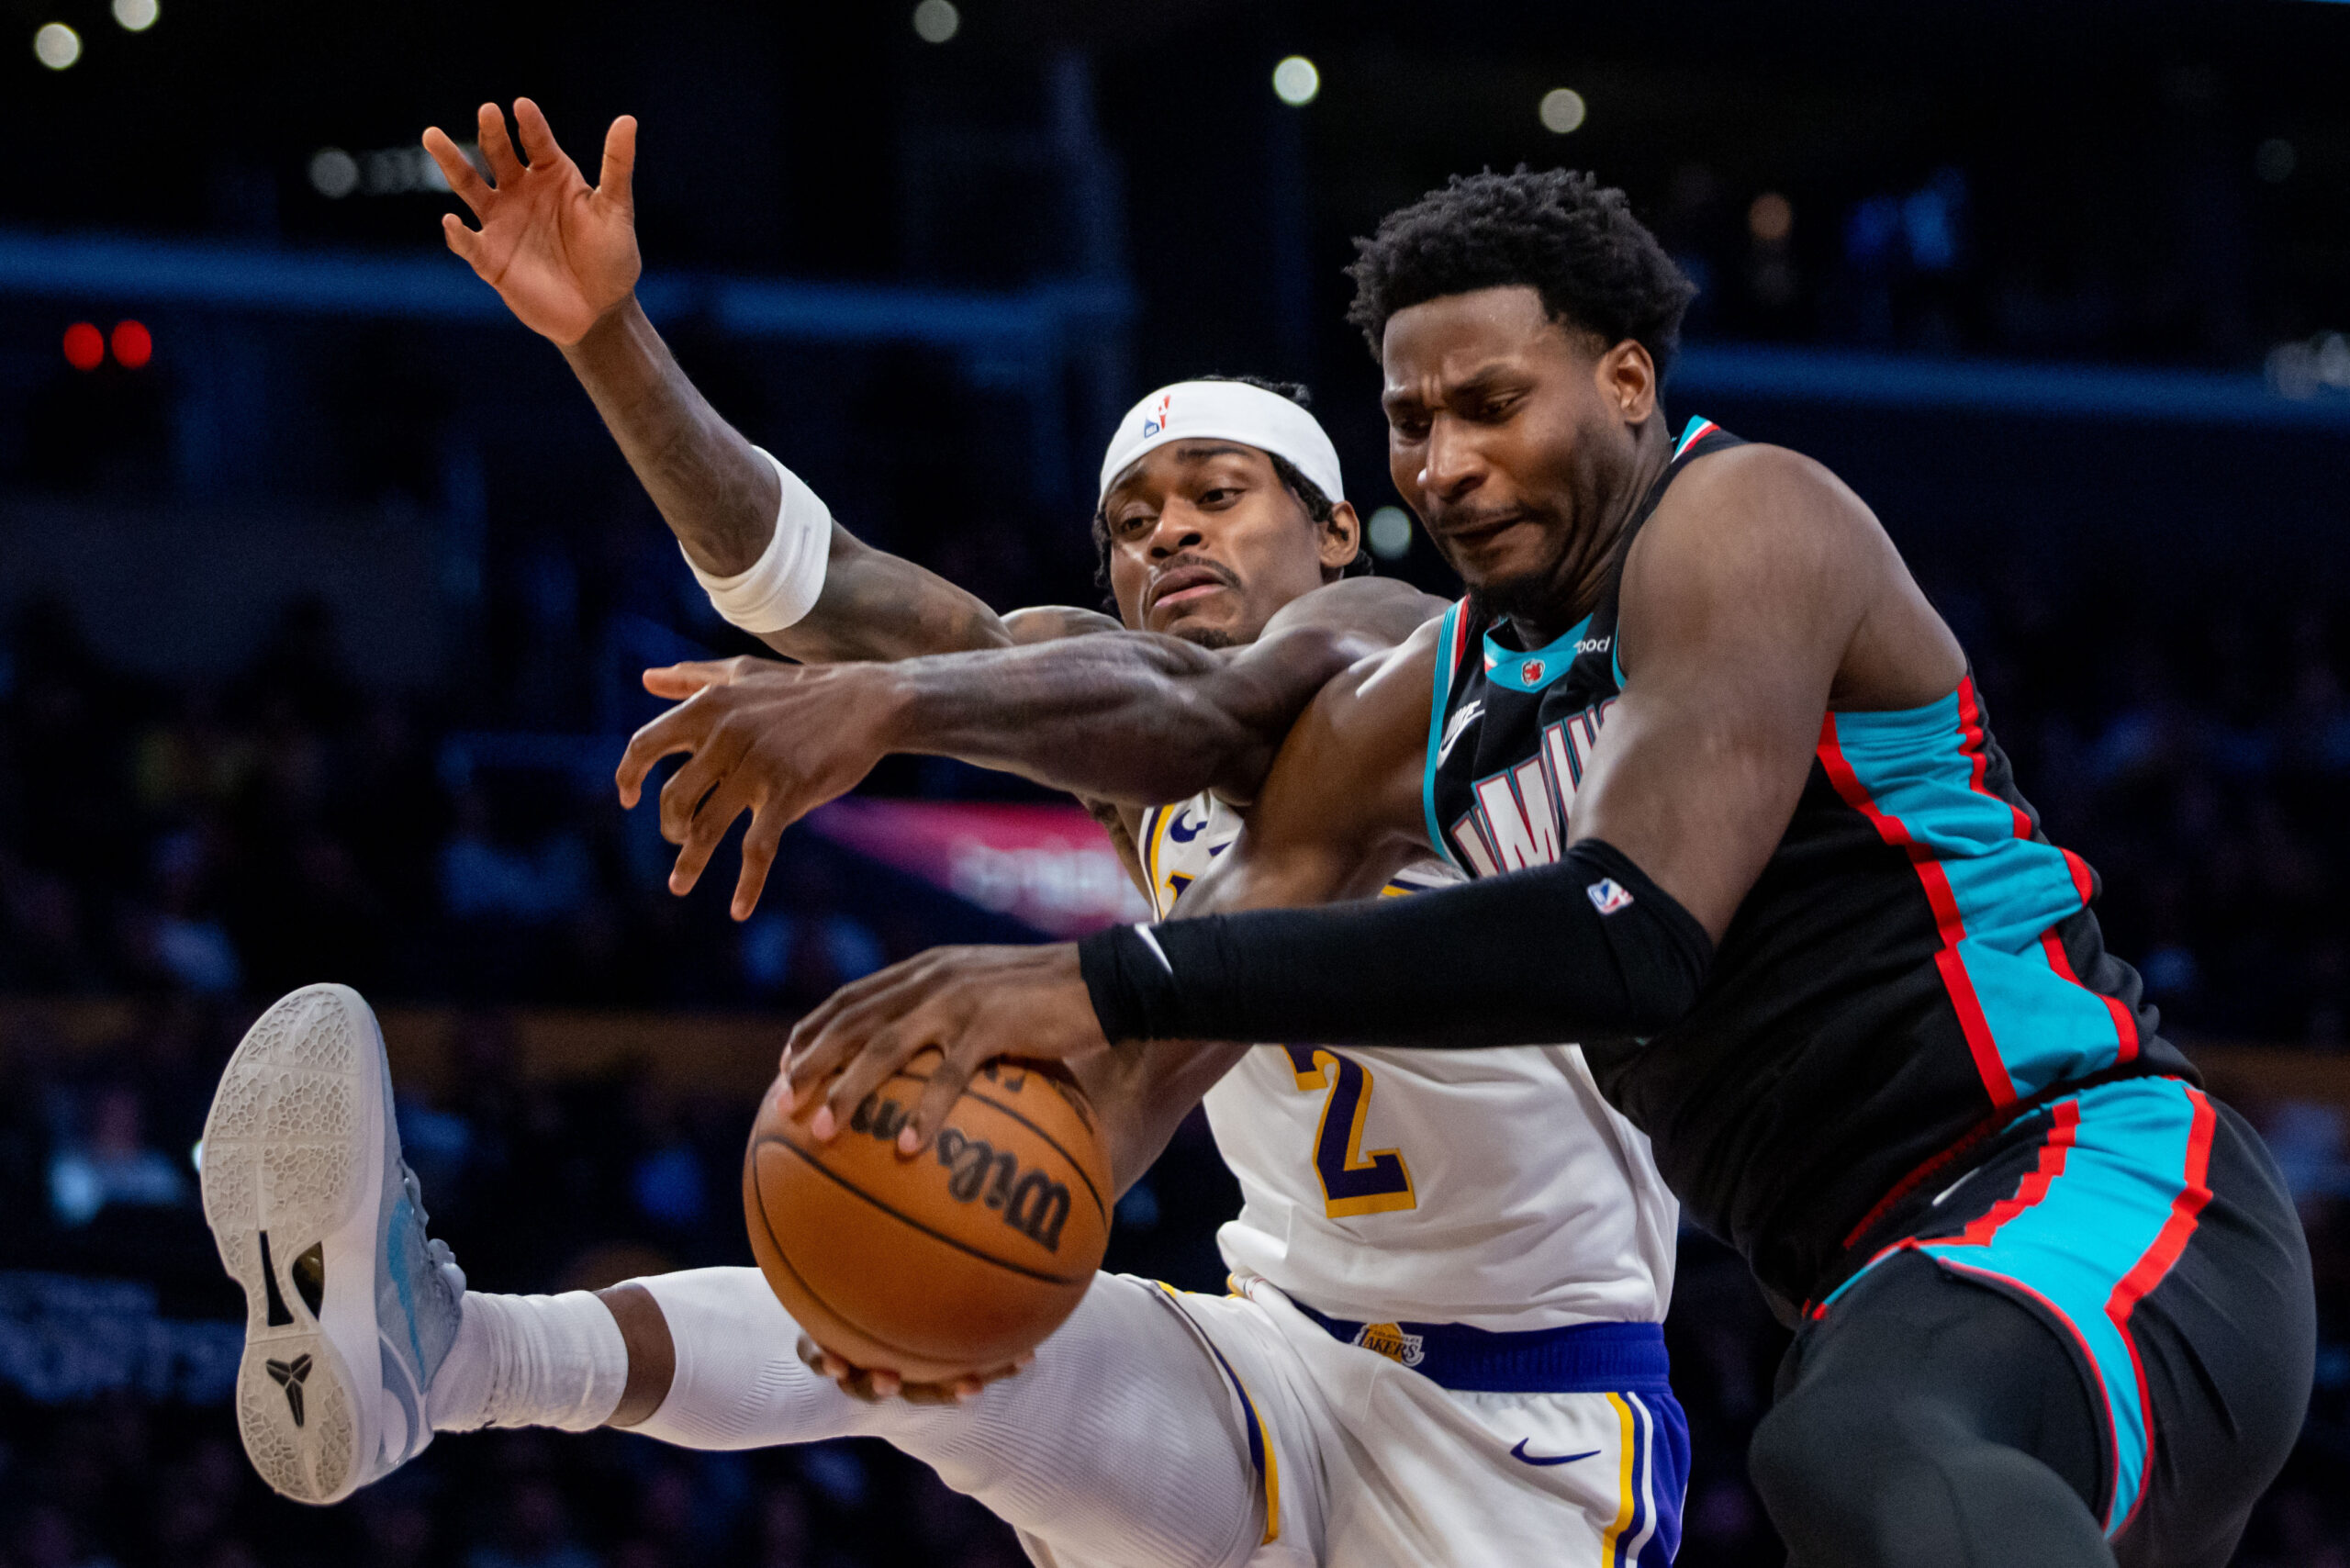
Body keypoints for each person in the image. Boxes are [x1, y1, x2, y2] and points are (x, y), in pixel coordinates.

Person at [194, 102, 1688, 1567]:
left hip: (1523, 1423)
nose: (1165, 532)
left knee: (952, 1255)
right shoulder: (1117, 732)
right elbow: (813, 578)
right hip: (1272, 1367)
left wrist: (892, 700)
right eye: (1131, 516)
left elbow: (1183, 700)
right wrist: (606, 339)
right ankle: (450, 1360)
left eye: (1216, 498)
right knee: (917, 1274)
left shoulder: (1412, 651)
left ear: (1339, 532)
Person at [782, 169, 2317, 1568]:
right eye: (1411, 422)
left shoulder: (1743, 518)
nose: (1444, 464)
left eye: (1493, 405)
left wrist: (1099, 976)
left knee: (1856, 1446)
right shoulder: (1428, 705)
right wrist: (1001, 1253)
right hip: (1884, 1281)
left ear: (1629, 382)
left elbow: (1628, 938)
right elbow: (1188, 724)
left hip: (2089, 1185)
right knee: (1859, 1457)